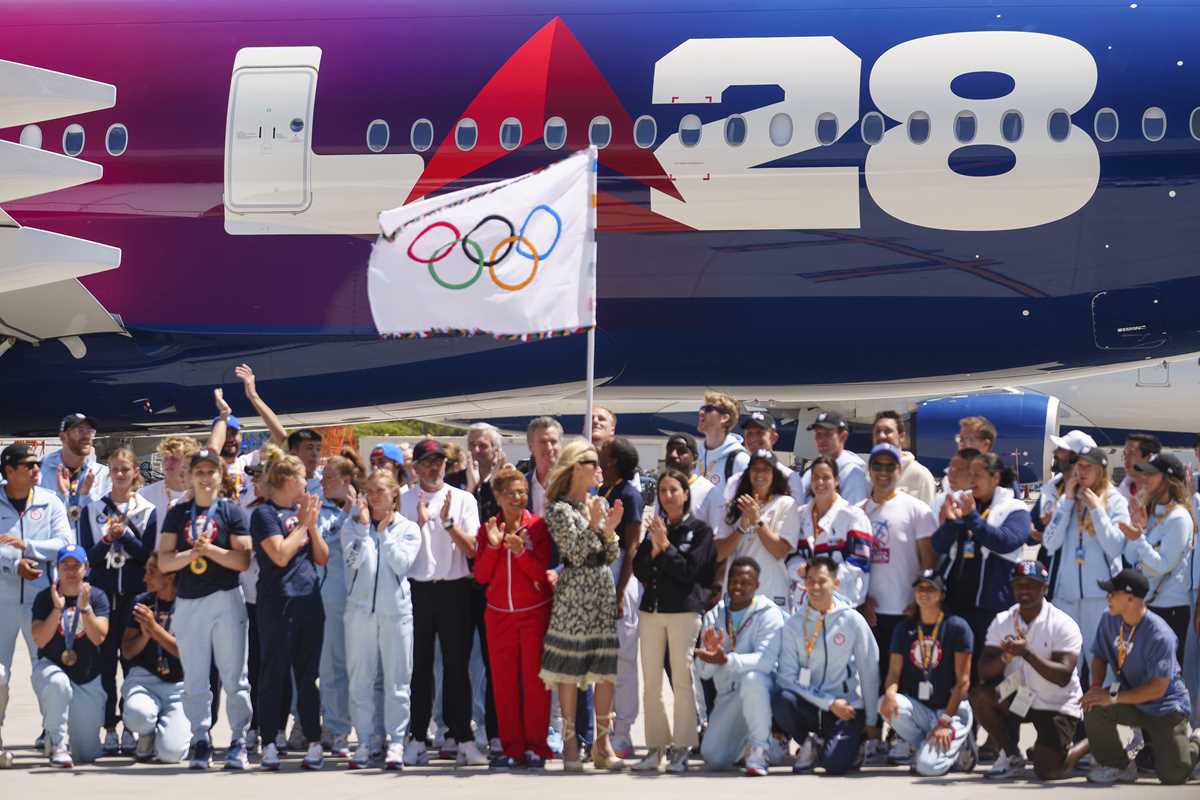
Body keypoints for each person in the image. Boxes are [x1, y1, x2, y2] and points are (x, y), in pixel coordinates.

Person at [157, 449, 253, 770]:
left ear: (220, 475)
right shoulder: (178, 513)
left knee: (234, 675)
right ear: (189, 476)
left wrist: (209, 550)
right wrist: (192, 554)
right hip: (189, 601)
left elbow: (242, 560)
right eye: (199, 471)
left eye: (211, 471)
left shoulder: (231, 512)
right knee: (196, 676)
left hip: (226, 598)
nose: (205, 478)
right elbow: (164, 561)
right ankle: (201, 737)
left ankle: (239, 738)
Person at [538, 439, 627, 771]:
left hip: (601, 590)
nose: (599, 470)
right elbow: (575, 553)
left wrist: (609, 529)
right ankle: (570, 743)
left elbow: (609, 554)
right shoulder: (559, 510)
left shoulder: (595, 503)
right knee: (569, 670)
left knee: (604, 671)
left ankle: (602, 744)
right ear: (577, 467)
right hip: (575, 595)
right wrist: (594, 526)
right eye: (593, 463)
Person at [401, 439, 485, 766]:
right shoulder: (404, 499)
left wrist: (449, 524)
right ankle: (417, 738)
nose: (433, 467)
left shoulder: (463, 499)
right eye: (426, 462)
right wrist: (419, 524)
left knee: (456, 667)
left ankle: (463, 737)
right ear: (415, 467)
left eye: (439, 461)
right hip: (417, 590)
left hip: (454, 589)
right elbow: (398, 547)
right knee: (420, 668)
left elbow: (473, 549)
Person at [631, 468, 715, 773]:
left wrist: (665, 548)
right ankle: (656, 747)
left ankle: (682, 747)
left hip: (684, 612)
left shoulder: (700, 531)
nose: (667, 496)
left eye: (673, 490)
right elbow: (640, 569)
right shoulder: (656, 527)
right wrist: (654, 548)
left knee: (681, 679)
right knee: (651, 682)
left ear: (685, 494)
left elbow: (690, 572)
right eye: (663, 491)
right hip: (651, 610)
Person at [971, 561, 1087, 780]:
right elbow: (984, 671)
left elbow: (1063, 677)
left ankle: (1089, 744)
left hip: (1056, 702)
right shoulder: (1003, 620)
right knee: (980, 696)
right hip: (1021, 695)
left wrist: (1027, 654)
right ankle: (1012, 756)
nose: (1024, 590)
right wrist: (1006, 657)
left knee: (1048, 769)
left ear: (1045, 588)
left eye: (1032, 584)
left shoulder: (1062, 623)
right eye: (1019, 584)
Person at [1083, 569, 1200, 785]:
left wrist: (1113, 698)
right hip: (1131, 697)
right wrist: (1096, 687)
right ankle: (1119, 766)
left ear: (1130, 598)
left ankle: (1195, 741)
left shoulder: (1160, 635)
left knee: (1173, 775)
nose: (1107, 597)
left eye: (1112, 593)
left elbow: (1158, 688)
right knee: (1094, 704)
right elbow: (1099, 656)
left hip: (1165, 707)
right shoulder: (1108, 618)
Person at [859, 443, 937, 765]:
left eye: (889, 466)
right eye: (877, 466)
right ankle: (872, 736)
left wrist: (919, 604)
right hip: (871, 612)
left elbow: (928, 562)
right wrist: (862, 600)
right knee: (872, 676)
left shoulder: (916, 509)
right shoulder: (859, 510)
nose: (883, 472)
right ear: (869, 471)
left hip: (905, 609)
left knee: (907, 677)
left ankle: (902, 736)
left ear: (899, 471)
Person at [77, 446, 158, 754]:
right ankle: (109, 725)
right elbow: (89, 557)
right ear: (109, 473)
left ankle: (130, 725)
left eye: (126, 469)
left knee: (132, 659)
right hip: (104, 594)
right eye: (115, 470)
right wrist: (108, 538)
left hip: (134, 593)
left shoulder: (146, 509)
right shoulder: (93, 509)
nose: (120, 474)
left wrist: (124, 535)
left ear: (135, 471)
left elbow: (146, 555)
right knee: (105, 660)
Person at [250, 452, 328, 771]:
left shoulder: (302, 512)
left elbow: (322, 557)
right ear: (285, 480)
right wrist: (303, 525)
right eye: (301, 477)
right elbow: (280, 555)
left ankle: (314, 741)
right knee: (274, 672)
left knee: (308, 676)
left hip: (309, 599)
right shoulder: (264, 514)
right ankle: (269, 741)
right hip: (278, 602)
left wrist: (312, 526)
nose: (306, 482)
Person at [472, 466, 554, 768]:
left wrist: (520, 553)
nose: (518, 498)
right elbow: (481, 576)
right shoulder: (488, 529)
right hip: (499, 618)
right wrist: (494, 547)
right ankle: (511, 747)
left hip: (533, 615)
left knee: (535, 684)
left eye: (522, 492)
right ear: (497, 496)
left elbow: (541, 573)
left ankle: (536, 746)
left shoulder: (538, 527)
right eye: (510, 493)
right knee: (503, 684)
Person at [768, 554, 880, 775]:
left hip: (846, 707)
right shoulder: (793, 624)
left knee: (834, 766)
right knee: (781, 699)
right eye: (810, 581)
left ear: (835, 583)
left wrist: (870, 721)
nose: (815, 587)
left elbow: (869, 670)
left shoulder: (852, 620)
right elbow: (786, 678)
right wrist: (828, 703)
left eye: (822, 581)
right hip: (814, 704)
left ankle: (852, 744)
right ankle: (810, 743)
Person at [342, 469, 422, 770]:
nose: (374, 497)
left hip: (395, 613)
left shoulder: (409, 528)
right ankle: (364, 741)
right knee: (360, 680)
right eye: (370, 491)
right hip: (359, 613)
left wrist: (385, 535)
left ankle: (396, 742)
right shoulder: (352, 526)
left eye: (380, 491)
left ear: (394, 493)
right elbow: (351, 562)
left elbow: (401, 564)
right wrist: (365, 530)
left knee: (397, 680)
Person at [0, 444, 71, 768]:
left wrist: (28, 547)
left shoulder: (50, 500)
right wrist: (13, 564)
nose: (36, 470)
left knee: (49, 672)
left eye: (37, 464)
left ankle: (55, 738)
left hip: (40, 601)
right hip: (2, 600)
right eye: (28, 465)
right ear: (9, 470)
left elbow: (64, 544)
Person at [932, 451, 1029, 680]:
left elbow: (1005, 541)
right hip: (957, 605)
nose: (972, 479)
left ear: (995, 478)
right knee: (957, 674)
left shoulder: (1015, 508)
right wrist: (952, 523)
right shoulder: (963, 504)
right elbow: (939, 546)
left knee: (989, 676)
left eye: (978, 475)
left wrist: (972, 518)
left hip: (993, 610)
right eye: (970, 474)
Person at [1042, 445, 1129, 683]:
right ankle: (1068, 708)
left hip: (1100, 599)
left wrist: (1097, 510)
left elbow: (1115, 547)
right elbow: (1050, 543)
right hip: (1066, 597)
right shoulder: (1066, 499)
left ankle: (1103, 706)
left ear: (1101, 470)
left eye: (1087, 467)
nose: (1080, 471)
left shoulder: (1115, 501)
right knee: (1065, 665)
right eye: (1078, 466)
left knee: (1103, 665)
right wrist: (1067, 503)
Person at [695, 557, 786, 776]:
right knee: (713, 757)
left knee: (753, 679)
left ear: (757, 585)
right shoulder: (714, 615)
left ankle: (762, 748)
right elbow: (704, 673)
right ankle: (748, 743)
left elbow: (765, 661)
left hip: (764, 690)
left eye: (745, 583)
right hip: (729, 694)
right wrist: (709, 657)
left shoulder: (769, 613)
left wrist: (726, 660)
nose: (738, 587)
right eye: (734, 581)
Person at [880, 569, 976, 775]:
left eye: (930, 589)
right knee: (886, 703)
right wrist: (889, 694)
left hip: (950, 710)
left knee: (927, 768)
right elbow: (894, 673)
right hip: (922, 709)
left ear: (941, 594)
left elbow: (963, 682)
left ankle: (958, 744)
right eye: (920, 588)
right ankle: (927, 745)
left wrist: (945, 721)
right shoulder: (904, 628)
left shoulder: (957, 627)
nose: (924, 593)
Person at [31, 544, 110, 767]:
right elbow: (40, 639)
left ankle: (69, 738)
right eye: (65, 565)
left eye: (76, 565)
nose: (71, 570)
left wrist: (85, 609)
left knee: (86, 754)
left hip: (86, 676)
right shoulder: (45, 597)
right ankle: (57, 742)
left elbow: (99, 637)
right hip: (52, 668)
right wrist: (57, 609)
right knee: (59, 684)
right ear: (57, 568)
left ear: (86, 568)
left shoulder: (97, 596)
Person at [1121, 452, 1196, 659]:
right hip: (1147, 605)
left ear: (1168, 479)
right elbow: (1130, 557)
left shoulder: (1179, 518)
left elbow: (1162, 565)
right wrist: (1141, 528)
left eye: (1151, 474)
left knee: (1164, 673)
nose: (1144, 478)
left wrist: (1139, 538)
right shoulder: (1152, 512)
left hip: (1170, 609)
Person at [599, 436, 643, 757]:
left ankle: (624, 733)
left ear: (613, 459)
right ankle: (605, 730)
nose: (599, 452)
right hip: (602, 577)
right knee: (603, 662)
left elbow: (633, 546)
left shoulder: (630, 494)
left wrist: (619, 592)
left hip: (622, 580)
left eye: (604, 450)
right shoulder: (603, 490)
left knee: (623, 661)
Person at [316, 453, 363, 759]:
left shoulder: (367, 506)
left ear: (346, 480)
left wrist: (356, 513)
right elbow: (322, 542)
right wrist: (346, 516)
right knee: (331, 666)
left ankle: (370, 730)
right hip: (331, 599)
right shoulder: (319, 509)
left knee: (363, 668)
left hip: (364, 599)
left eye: (329, 477)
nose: (323, 482)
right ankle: (337, 728)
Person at [121, 553, 189, 763]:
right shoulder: (142, 602)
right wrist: (144, 635)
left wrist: (154, 628)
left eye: (151, 572)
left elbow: (185, 653)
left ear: (170, 576)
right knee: (138, 716)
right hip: (144, 680)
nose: (145, 578)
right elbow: (127, 651)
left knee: (172, 754)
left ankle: (165, 735)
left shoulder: (188, 603)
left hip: (179, 685)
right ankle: (147, 734)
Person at [717, 450, 801, 610]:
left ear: (774, 474)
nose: (760, 474)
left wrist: (757, 521)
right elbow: (720, 553)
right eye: (755, 469)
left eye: (766, 469)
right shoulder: (735, 506)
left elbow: (779, 551)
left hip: (771, 592)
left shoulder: (786, 504)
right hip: (737, 592)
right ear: (748, 473)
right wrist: (741, 528)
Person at [790, 455, 872, 609]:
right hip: (805, 605)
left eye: (826, 477)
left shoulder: (853, 516)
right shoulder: (799, 515)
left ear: (836, 481)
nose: (820, 482)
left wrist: (823, 578)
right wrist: (801, 569)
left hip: (844, 605)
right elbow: (789, 555)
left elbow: (859, 560)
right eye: (816, 477)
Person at [40, 413, 111, 533]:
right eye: (80, 430)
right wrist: (62, 496)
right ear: (63, 437)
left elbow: (107, 520)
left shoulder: (103, 475)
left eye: (90, 431)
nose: (87, 436)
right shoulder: (39, 472)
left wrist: (86, 497)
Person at [793, 412, 869, 505]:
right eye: (818, 434)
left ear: (843, 436)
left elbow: (854, 510)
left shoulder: (852, 473)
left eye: (827, 434)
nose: (821, 439)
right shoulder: (811, 472)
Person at [872, 411, 936, 507]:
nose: (881, 436)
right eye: (877, 431)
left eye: (888, 431)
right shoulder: (867, 475)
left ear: (901, 437)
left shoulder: (921, 476)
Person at [695, 392, 750, 495]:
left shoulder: (739, 460)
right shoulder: (696, 456)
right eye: (702, 408)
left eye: (708, 409)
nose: (701, 412)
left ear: (724, 418)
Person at [141, 436, 200, 525]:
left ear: (189, 461)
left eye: (174, 459)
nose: (168, 463)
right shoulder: (145, 495)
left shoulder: (201, 493)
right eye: (165, 458)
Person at [524, 417, 563, 518]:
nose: (549, 448)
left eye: (553, 441)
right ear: (531, 447)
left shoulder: (573, 484)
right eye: (543, 442)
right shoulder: (522, 485)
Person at [1118, 433, 1161, 503]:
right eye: (1125, 454)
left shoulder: (1162, 494)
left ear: (1149, 458)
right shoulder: (1122, 489)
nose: (1126, 458)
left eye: (1132, 454)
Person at [287, 429, 325, 494]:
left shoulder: (326, 482)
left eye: (318, 449)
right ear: (293, 454)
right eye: (309, 448)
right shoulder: (282, 485)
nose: (315, 453)